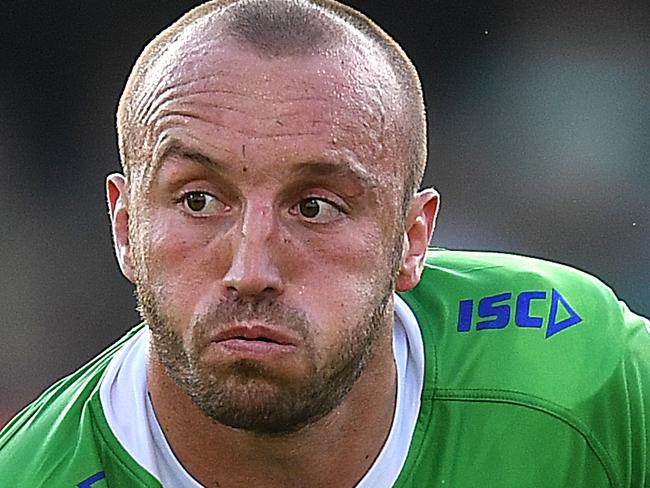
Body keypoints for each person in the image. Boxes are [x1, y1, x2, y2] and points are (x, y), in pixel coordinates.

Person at [1, 0, 648, 486]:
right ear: (125, 227)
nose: (250, 269)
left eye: (315, 207)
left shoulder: (577, 376)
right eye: (198, 200)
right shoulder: (31, 476)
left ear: (411, 238)